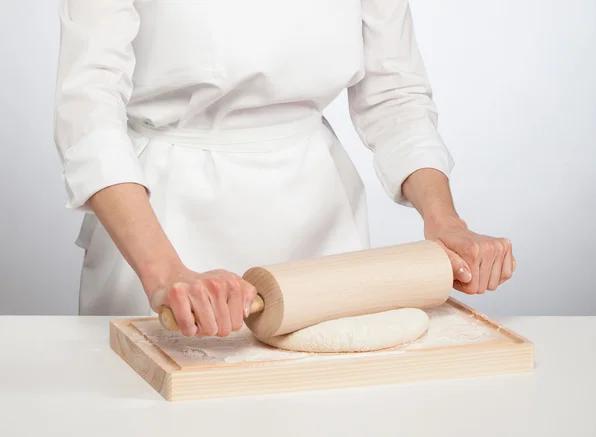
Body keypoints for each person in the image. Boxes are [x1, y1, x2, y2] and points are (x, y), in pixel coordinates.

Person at [54, 0, 514, 338]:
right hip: (162, 224)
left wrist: (444, 220)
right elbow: (88, 107)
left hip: (320, 222)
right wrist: (164, 273)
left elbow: (394, 96)